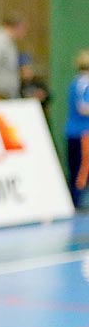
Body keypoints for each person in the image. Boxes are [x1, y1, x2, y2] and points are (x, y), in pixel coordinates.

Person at [67, 50, 89, 211]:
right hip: (83, 132)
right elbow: (83, 107)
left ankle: (76, 198)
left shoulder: (75, 82)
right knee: (82, 167)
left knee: (76, 166)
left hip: (74, 131)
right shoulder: (84, 83)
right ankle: (76, 200)